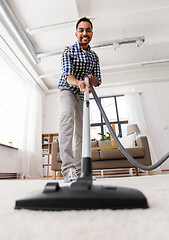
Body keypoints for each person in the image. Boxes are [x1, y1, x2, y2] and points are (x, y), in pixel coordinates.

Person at [58, 17, 101, 183]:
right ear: (76, 33)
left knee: (82, 131)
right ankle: (68, 170)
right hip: (67, 89)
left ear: (91, 33)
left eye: (88, 30)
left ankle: (78, 171)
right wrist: (79, 83)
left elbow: (98, 79)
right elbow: (68, 76)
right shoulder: (68, 50)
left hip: (83, 94)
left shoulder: (94, 56)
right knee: (67, 118)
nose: (85, 33)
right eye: (81, 30)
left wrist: (92, 79)